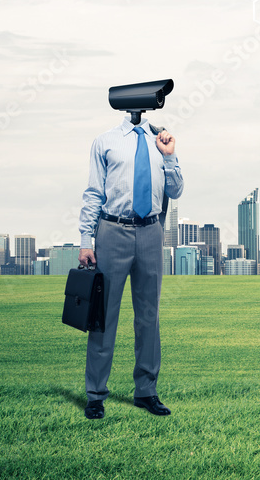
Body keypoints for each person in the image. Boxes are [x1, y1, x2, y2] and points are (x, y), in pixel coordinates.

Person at [77, 114, 184, 420]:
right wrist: (87, 239)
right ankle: (95, 395)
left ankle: (146, 391)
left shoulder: (160, 142)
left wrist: (170, 156)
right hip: (112, 231)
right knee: (103, 316)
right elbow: (94, 192)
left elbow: (175, 191)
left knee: (149, 316)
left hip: (151, 232)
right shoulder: (106, 142)